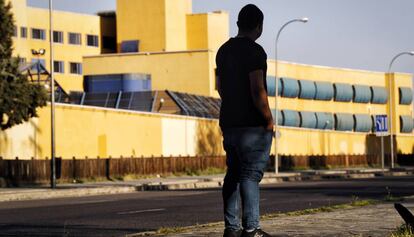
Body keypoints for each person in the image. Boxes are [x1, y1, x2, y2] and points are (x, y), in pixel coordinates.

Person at [216, 4, 274, 237]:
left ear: (239, 24)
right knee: (250, 175)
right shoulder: (255, 52)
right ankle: (251, 229)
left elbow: (219, 87)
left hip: (229, 123)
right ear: (259, 26)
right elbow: (257, 89)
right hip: (252, 125)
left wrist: (233, 104)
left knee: (233, 174)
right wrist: (268, 120)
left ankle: (231, 229)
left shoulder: (223, 51)